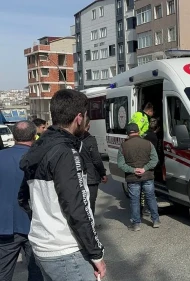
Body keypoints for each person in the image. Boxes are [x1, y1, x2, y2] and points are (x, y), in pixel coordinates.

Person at [18, 89, 106, 281]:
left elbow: (23, 198)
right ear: (79, 117)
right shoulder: (66, 152)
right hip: (66, 251)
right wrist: (96, 253)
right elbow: (77, 208)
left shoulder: (39, 147)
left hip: (43, 246)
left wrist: (45, 223)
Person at [0, 121, 44, 281]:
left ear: (13, 136)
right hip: (34, 224)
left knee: (3, 272)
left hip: (4, 225)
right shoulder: (40, 159)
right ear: (34, 136)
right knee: (37, 272)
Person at [117, 123, 160, 231]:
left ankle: (136, 224)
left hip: (132, 178)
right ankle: (155, 220)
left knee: (134, 200)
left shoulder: (123, 146)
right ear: (139, 132)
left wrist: (133, 170)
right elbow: (155, 160)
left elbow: (121, 164)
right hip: (148, 176)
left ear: (127, 133)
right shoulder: (148, 143)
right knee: (150, 197)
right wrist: (145, 168)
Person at [79, 119, 108, 221]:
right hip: (90, 177)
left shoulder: (72, 138)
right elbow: (96, 159)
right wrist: (103, 173)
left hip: (77, 175)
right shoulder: (90, 139)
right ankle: (90, 224)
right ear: (88, 125)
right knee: (90, 202)